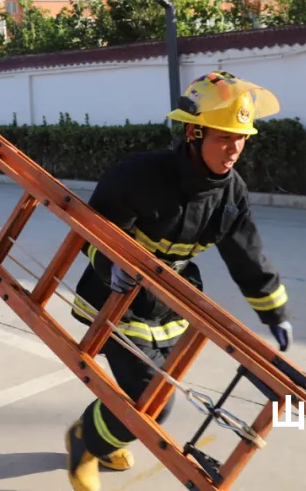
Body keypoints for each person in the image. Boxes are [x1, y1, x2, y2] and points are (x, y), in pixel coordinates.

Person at [63, 70, 293, 491]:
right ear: (193, 133)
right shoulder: (139, 176)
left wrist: (274, 311)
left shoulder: (232, 193)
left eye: (241, 139)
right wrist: (112, 264)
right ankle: (85, 442)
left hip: (171, 303)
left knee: (147, 393)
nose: (234, 149)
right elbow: (92, 232)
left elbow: (247, 255)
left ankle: (106, 433)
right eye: (224, 137)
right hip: (117, 298)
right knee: (154, 401)